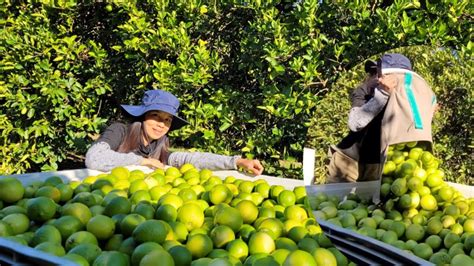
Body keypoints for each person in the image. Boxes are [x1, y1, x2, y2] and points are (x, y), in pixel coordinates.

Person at [85, 89, 264, 175]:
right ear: (142, 116)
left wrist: (237, 161)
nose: (161, 124)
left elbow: (191, 159)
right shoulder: (120, 131)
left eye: (167, 119)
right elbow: (94, 158)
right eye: (155, 115)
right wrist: (143, 161)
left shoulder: (159, 147)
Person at [328, 53, 415, 182]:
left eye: (378, 72)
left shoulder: (407, 99)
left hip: (377, 166)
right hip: (347, 161)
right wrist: (382, 95)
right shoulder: (364, 91)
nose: (375, 78)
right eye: (372, 73)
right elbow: (354, 123)